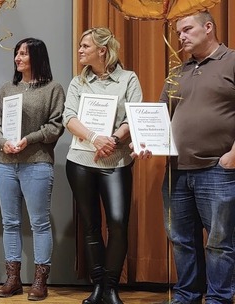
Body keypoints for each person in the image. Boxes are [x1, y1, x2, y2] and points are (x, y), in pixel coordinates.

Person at [154, 11, 234, 304]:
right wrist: (146, 141)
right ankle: (187, 296)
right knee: (182, 241)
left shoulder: (232, 61)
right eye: (178, 32)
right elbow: (160, 115)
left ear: (209, 27)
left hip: (217, 169)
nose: (181, 37)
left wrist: (232, 156)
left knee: (219, 244)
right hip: (176, 172)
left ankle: (218, 300)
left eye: (187, 29)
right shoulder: (178, 72)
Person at [63, 28, 142, 304]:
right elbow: (68, 117)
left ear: (102, 51)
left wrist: (113, 139)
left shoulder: (128, 79)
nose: (80, 50)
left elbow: (134, 116)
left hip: (117, 161)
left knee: (118, 223)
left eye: (85, 46)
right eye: (80, 45)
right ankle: (97, 288)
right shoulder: (77, 82)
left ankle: (111, 287)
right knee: (90, 225)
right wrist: (95, 138)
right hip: (80, 161)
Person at [0, 38, 65, 300]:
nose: (17, 58)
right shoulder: (7, 88)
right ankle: (13, 279)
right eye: (16, 54)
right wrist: (2, 141)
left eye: (23, 54)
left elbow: (56, 127)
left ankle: (40, 281)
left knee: (39, 223)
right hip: (5, 165)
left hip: (37, 163)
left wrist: (27, 140)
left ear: (37, 58)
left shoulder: (53, 89)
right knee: (10, 223)